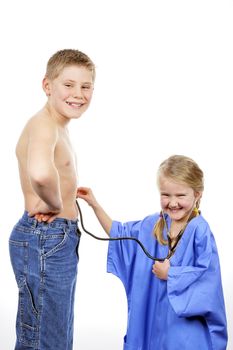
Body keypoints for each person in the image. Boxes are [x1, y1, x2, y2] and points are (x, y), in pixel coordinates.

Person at [77, 155, 228, 350]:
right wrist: (94, 204)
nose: (172, 203)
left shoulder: (200, 231)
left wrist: (171, 274)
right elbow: (120, 234)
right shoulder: (154, 224)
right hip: (155, 317)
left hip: (183, 328)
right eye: (166, 195)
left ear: (197, 194)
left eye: (181, 195)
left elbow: (207, 279)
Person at [9, 49, 95, 350]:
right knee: (48, 339)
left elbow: (50, 172)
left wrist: (69, 196)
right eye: (68, 85)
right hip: (46, 236)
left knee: (42, 331)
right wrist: (57, 204)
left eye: (86, 86)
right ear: (47, 86)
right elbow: (41, 174)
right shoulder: (44, 125)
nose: (79, 94)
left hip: (52, 238)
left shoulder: (56, 125)